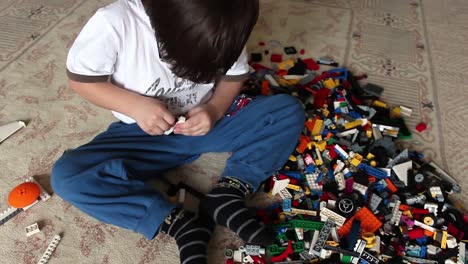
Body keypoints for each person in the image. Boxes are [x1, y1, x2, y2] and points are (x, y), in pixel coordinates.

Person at [51, 0, 304, 263]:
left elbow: (234, 77)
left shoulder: (224, 21)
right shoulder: (114, 22)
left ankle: (228, 194)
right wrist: (135, 106)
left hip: (208, 122)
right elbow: (82, 80)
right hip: (142, 133)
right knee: (68, 177)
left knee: (286, 111)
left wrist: (214, 109)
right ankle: (178, 223)